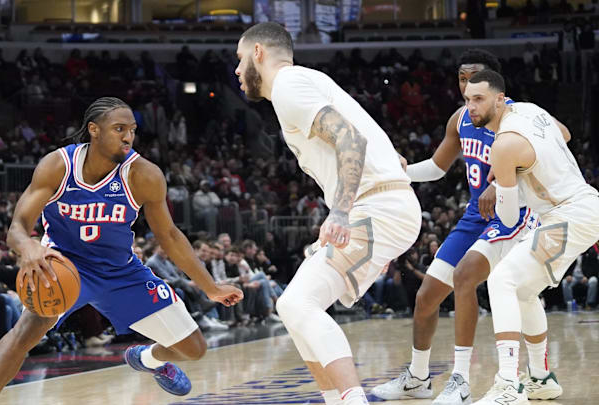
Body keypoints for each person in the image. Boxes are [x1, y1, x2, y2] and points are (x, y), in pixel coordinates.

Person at [0, 97, 242, 405]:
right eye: (119, 129)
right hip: (65, 265)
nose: (128, 137)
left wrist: (211, 287)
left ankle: (148, 358)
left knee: (195, 349)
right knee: (25, 332)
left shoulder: (143, 174)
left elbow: (170, 236)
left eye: (132, 130)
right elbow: (17, 226)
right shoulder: (58, 165)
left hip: (121, 272)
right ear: (94, 130)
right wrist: (29, 246)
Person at [235, 22, 421, 405]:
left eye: (239, 60)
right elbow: (374, 143)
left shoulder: (288, 85)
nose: (237, 71)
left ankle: (351, 401)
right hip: (383, 204)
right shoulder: (309, 82)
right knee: (291, 305)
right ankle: (335, 398)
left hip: (375, 206)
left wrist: (340, 211)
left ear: (258, 53)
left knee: (300, 302)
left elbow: (351, 138)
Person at [372, 49, 565, 404]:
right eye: (462, 79)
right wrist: (399, 172)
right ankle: (417, 378)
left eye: (474, 79)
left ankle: (461, 379)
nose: (466, 86)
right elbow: (436, 167)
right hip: (474, 216)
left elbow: (561, 136)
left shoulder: (517, 116)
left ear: (493, 85)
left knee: (468, 278)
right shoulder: (460, 119)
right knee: (426, 296)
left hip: (515, 213)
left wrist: (507, 176)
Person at [463, 70, 599, 404]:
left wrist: (502, 180)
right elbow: (563, 133)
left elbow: (509, 218)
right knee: (523, 290)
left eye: (478, 99)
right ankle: (540, 378)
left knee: (502, 280)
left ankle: (508, 384)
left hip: (568, 214)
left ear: (499, 99)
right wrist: (524, 164)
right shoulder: (531, 110)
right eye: (467, 99)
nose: (471, 107)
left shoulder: (504, 144)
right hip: (577, 208)